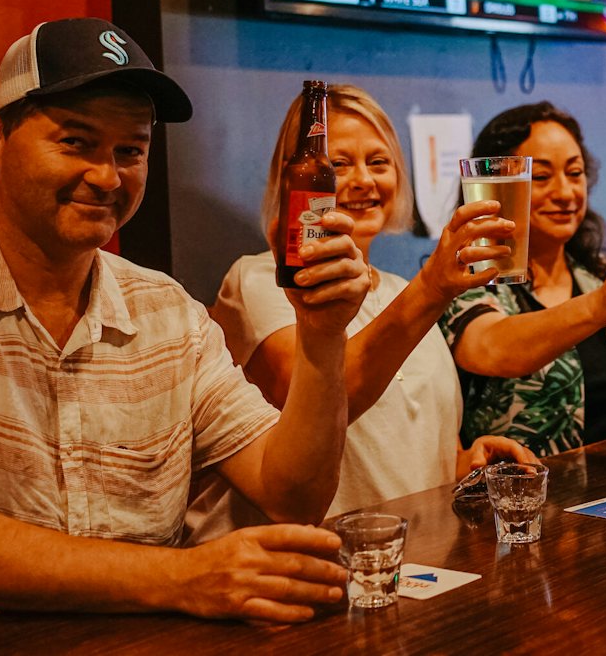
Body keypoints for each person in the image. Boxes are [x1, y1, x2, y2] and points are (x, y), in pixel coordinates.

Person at [0, 18, 369, 653]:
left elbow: (293, 493)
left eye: (131, 150)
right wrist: (190, 576)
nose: (107, 176)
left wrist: (321, 337)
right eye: (76, 141)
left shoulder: (166, 311)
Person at [200, 84, 532, 527]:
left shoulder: (400, 292)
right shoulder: (260, 281)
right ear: (301, 176)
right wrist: (432, 287)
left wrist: (464, 463)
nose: (363, 180)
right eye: (338, 164)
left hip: (419, 565)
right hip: (317, 566)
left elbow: (400, 447)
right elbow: (314, 404)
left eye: (379, 162)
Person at [440, 101, 606, 455]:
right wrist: (599, 306)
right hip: (527, 500)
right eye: (542, 176)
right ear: (499, 185)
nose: (566, 193)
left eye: (575, 173)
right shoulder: (464, 284)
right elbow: (495, 348)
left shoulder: (599, 276)